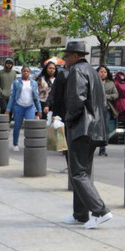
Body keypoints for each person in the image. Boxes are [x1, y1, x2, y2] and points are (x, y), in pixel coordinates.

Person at [62, 41, 112, 229]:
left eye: (67, 56)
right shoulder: (93, 71)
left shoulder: (77, 70)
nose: (65, 59)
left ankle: (100, 211)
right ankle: (80, 214)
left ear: (75, 56)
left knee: (78, 173)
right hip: (94, 128)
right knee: (82, 172)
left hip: (82, 128)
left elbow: (77, 100)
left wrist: (67, 119)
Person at [5, 66, 42, 151]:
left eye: (27, 71)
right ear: (21, 72)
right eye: (24, 71)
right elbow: (12, 96)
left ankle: (30, 144)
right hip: (18, 106)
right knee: (17, 126)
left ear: (29, 73)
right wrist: (8, 109)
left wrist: (39, 109)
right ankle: (15, 144)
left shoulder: (33, 83)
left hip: (30, 107)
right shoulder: (16, 82)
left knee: (30, 126)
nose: (26, 73)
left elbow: (36, 97)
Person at [45, 62, 70, 171]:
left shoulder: (76, 74)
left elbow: (53, 92)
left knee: (69, 139)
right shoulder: (63, 75)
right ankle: (71, 165)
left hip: (67, 112)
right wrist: (48, 105)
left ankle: (71, 165)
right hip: (66, 112)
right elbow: (54, 92)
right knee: (68, 139)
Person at [97, 65, 118, 157]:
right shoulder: (93, 82)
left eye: (104, 72)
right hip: (94, 108)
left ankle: (103, 149)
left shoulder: (111, 83)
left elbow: (116, 94)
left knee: (105, 129)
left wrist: (107, 96)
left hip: (106, 108)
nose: (103, 73)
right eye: (101, 71)